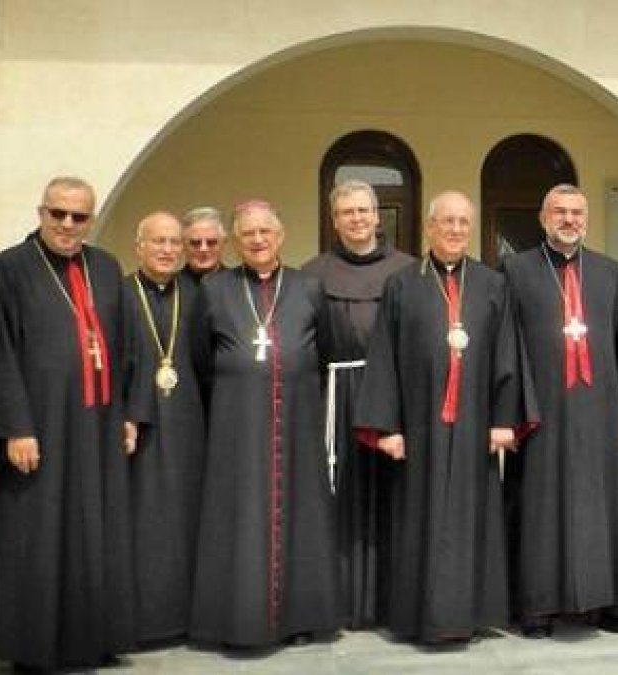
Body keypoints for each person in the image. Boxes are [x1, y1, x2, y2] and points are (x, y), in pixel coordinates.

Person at [0, 176, 137, 670]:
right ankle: (30, 646)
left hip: (96, 428)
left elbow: (125, 348)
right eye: (57, 213)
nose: (67, 224)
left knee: (93, 531)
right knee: (35, 534)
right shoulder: (9, 269)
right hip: (38, 428)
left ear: (90, 219)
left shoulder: (105, 268)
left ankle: (90, 639)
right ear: (41, 212)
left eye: (78, 216)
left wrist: (126, 414)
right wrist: (16, 426)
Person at [355, 191, 535, 644]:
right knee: (421, 517)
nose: (455, 230)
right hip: (418, 426)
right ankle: (421, 617)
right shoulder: (402, 285)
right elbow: (384, 359)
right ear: (429, 228)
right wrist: (388, 427)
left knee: (472, 516)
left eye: (462, 223)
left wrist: (502, 419)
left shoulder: (492, 284)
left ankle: (471, 615)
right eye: (447, 222)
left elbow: (507, 353)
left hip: (475, 425)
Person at [501, 184, 618, 638]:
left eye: (576, 212)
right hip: (542, 410)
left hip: (602, 410)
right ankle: (538, 609)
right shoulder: (515, 270)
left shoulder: (610, 272)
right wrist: (512, 411)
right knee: (541, 508)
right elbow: (507, 346)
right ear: (543, 217)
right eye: (560, 212)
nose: (569, 219)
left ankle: (610, 605)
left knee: (604, 505)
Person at [188, 200, 339, 649]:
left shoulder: (309, 288)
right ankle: (235, 622)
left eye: (264, 232)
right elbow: (201, 359)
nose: (257, 240)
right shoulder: (215, 290)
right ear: (236, 240)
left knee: (300, 515)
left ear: (280, 235)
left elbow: (324, 349)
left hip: (296, 424)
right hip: (236, 430)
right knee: (239, 521)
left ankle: (299, 620)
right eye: (248, 234)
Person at [301, 180, 412, 629]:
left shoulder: (408, 271)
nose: (357, 218)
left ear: (377, 214)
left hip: (395, 396)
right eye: (347, 212)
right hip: (337, 395)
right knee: (339, 499)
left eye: (364, 210)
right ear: (334, 219)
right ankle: (343, 602)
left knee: (396, 497)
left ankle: (391, 602)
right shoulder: (312, 274)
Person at [122, 211, 205, 645]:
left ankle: (183, 620)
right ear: (139, 246)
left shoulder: (196, 295)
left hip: (190, 425)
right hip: (140, 425)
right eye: (159, 241)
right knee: (142, 521)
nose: (169, 250)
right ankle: (141, 621)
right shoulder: (119, 294)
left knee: (185, 521)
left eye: (176, 242)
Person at [181, 206, 227, 283]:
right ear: (183, 245)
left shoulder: (240, 284)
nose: (203, 249)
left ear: (223, 243)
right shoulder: (171, 284)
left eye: (211, 242)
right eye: (195, 243)